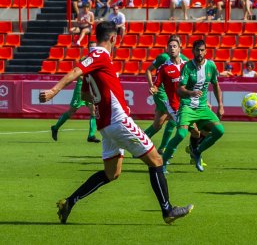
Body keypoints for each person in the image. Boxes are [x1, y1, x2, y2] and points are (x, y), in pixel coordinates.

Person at [39, 21, 193, 225]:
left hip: (105, 124)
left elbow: (85, 92)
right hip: (117, 120)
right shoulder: (99, 55)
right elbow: (76, 71)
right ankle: (168, 210)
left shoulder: (96, 64)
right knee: (156, 160)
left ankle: (69, 202)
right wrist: (54, 90)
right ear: (113, 38)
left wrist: (98, 102)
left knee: (112, 173)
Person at [162, 40, 225, 172]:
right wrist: (191, 93)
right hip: (187, 106)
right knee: (180, 134)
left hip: (202, 108)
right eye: (197, 50)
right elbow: (179, 90)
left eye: (202, 50)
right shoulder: (187, 67)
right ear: (193, 51)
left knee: (219, 131)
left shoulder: (211, 66)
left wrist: (220, 105)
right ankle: (161, 164)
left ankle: (197, 151)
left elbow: (216, 85)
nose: (200, 53)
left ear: (206, 51)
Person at [145, 35, 189, 155]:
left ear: (180, 46)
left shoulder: (185, 60)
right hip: (161, 93)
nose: (173, 48)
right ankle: (164, 148)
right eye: (171, 46)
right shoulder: (163, 57)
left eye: (176, 45)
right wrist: (152, 86)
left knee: (158, 124)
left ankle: (138, 144)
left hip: (174, 94)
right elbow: (149, 70)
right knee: (175, 118)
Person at [50, 42, 101, 143]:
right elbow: (79, 74)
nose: (94, 49)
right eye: (93, 47)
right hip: (81, 87)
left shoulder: (98, 59)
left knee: (93, 111)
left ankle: (91, 135)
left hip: (91, 88)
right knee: (72, 111)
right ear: (90, 48)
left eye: (96, 47)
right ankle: (55, 127)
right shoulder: (85, 59)